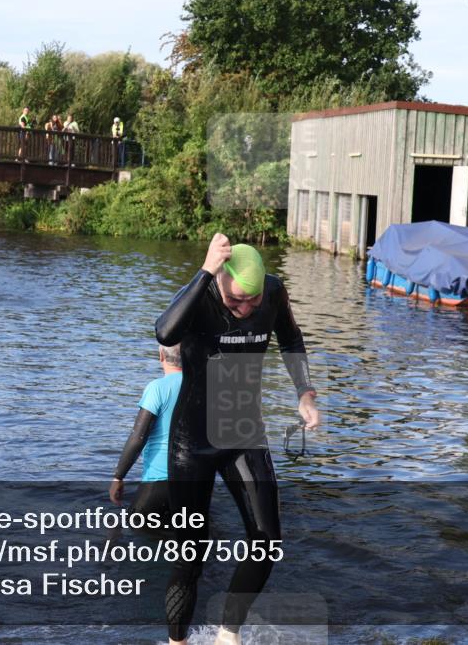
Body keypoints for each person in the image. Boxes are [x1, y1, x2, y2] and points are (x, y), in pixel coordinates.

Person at [155, 235, 320, 645]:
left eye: (253, 300)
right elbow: (164, 332)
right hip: (191, 443)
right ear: (219, 283)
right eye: (235, 302)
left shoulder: (275, 293)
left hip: (245, 433)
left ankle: (228, 634)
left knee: (267, 538)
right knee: (189, 556)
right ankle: (177, 642)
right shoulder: (201, 293)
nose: (246, 309)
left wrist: (305, 393)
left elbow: (292, 339)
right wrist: (206, 269)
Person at [109, 344, 182, 523]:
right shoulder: (204, 387)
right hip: (197, 482)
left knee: (135, 532)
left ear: (161, 355)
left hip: (159, 480)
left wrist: (118, 477)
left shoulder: (157, 388)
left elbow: (138, 436)